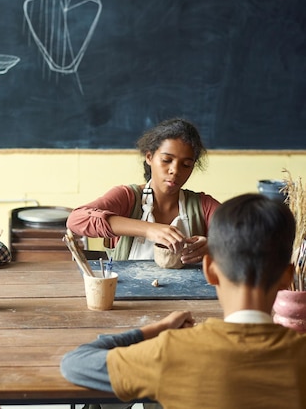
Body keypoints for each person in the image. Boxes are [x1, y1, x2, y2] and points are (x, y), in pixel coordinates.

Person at [60, 193, 306, 408]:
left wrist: (155, 330)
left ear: (209, 269)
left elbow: (75, 363)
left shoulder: (172, 352)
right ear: (288, 278)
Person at [66, 118, 221, 265]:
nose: (175, 170)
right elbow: (76, 220)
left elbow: (242, 234)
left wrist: (214, 246)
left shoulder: (203, 206)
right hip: (127, 293)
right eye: (167, 160)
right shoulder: (127, 198)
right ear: (149, 157)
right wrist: (149, 229)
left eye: (186, 164)